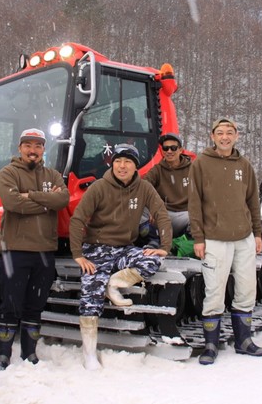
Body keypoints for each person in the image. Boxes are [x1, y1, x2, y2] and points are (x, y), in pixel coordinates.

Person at [69, 143, 172, 370]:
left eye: (128, 162)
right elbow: (77, 219)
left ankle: (115, 284)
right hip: (96, 249)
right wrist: (78, 254)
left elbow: (160, 214)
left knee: (152, 259)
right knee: (90, 297)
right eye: (118, 161)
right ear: (112, 163)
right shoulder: (99, 187)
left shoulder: (144, 188)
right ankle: (89, 355)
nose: (122, 166)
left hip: (124, 248)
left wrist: (165, 245)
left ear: (136, 166)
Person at [188, 118, 262, 365]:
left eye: (229, 133)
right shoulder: (201, 164)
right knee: (214, 292)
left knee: (246, 290)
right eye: (220, 133)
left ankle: (244, 340)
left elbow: (253, 201)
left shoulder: (244, 165)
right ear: (212, 136)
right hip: (214, 239)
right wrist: (198, 238)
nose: (225, 137)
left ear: (237, 136)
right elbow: (194, 203)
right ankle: (211, 345)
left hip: (243, 237)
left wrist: (257, 232)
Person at [0, 128, 69, 371]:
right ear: (20, 148)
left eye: (37, 146)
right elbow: (12, 202)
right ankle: (3, 357)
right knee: (10, 306)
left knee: (35, 306)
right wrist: (46, 202)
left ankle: (30, 354)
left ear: (44, 149)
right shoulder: (8, 173)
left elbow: (62, 200)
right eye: (28, 145)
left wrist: (32, 196)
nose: (32, 150)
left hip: (45, 250)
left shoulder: (53, 175)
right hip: (14, 249)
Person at [142, 132, 192, 240]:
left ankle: (181, 247)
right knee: (136, 209)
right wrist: (152, 207)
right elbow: (142, 188)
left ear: (180, 150)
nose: (169, 151)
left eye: (173, 148)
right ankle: (152, 242)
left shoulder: (193, 169)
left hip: (186, 214)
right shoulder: (157, 170)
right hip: (163, 213)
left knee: (203, 218)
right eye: (165, 148)